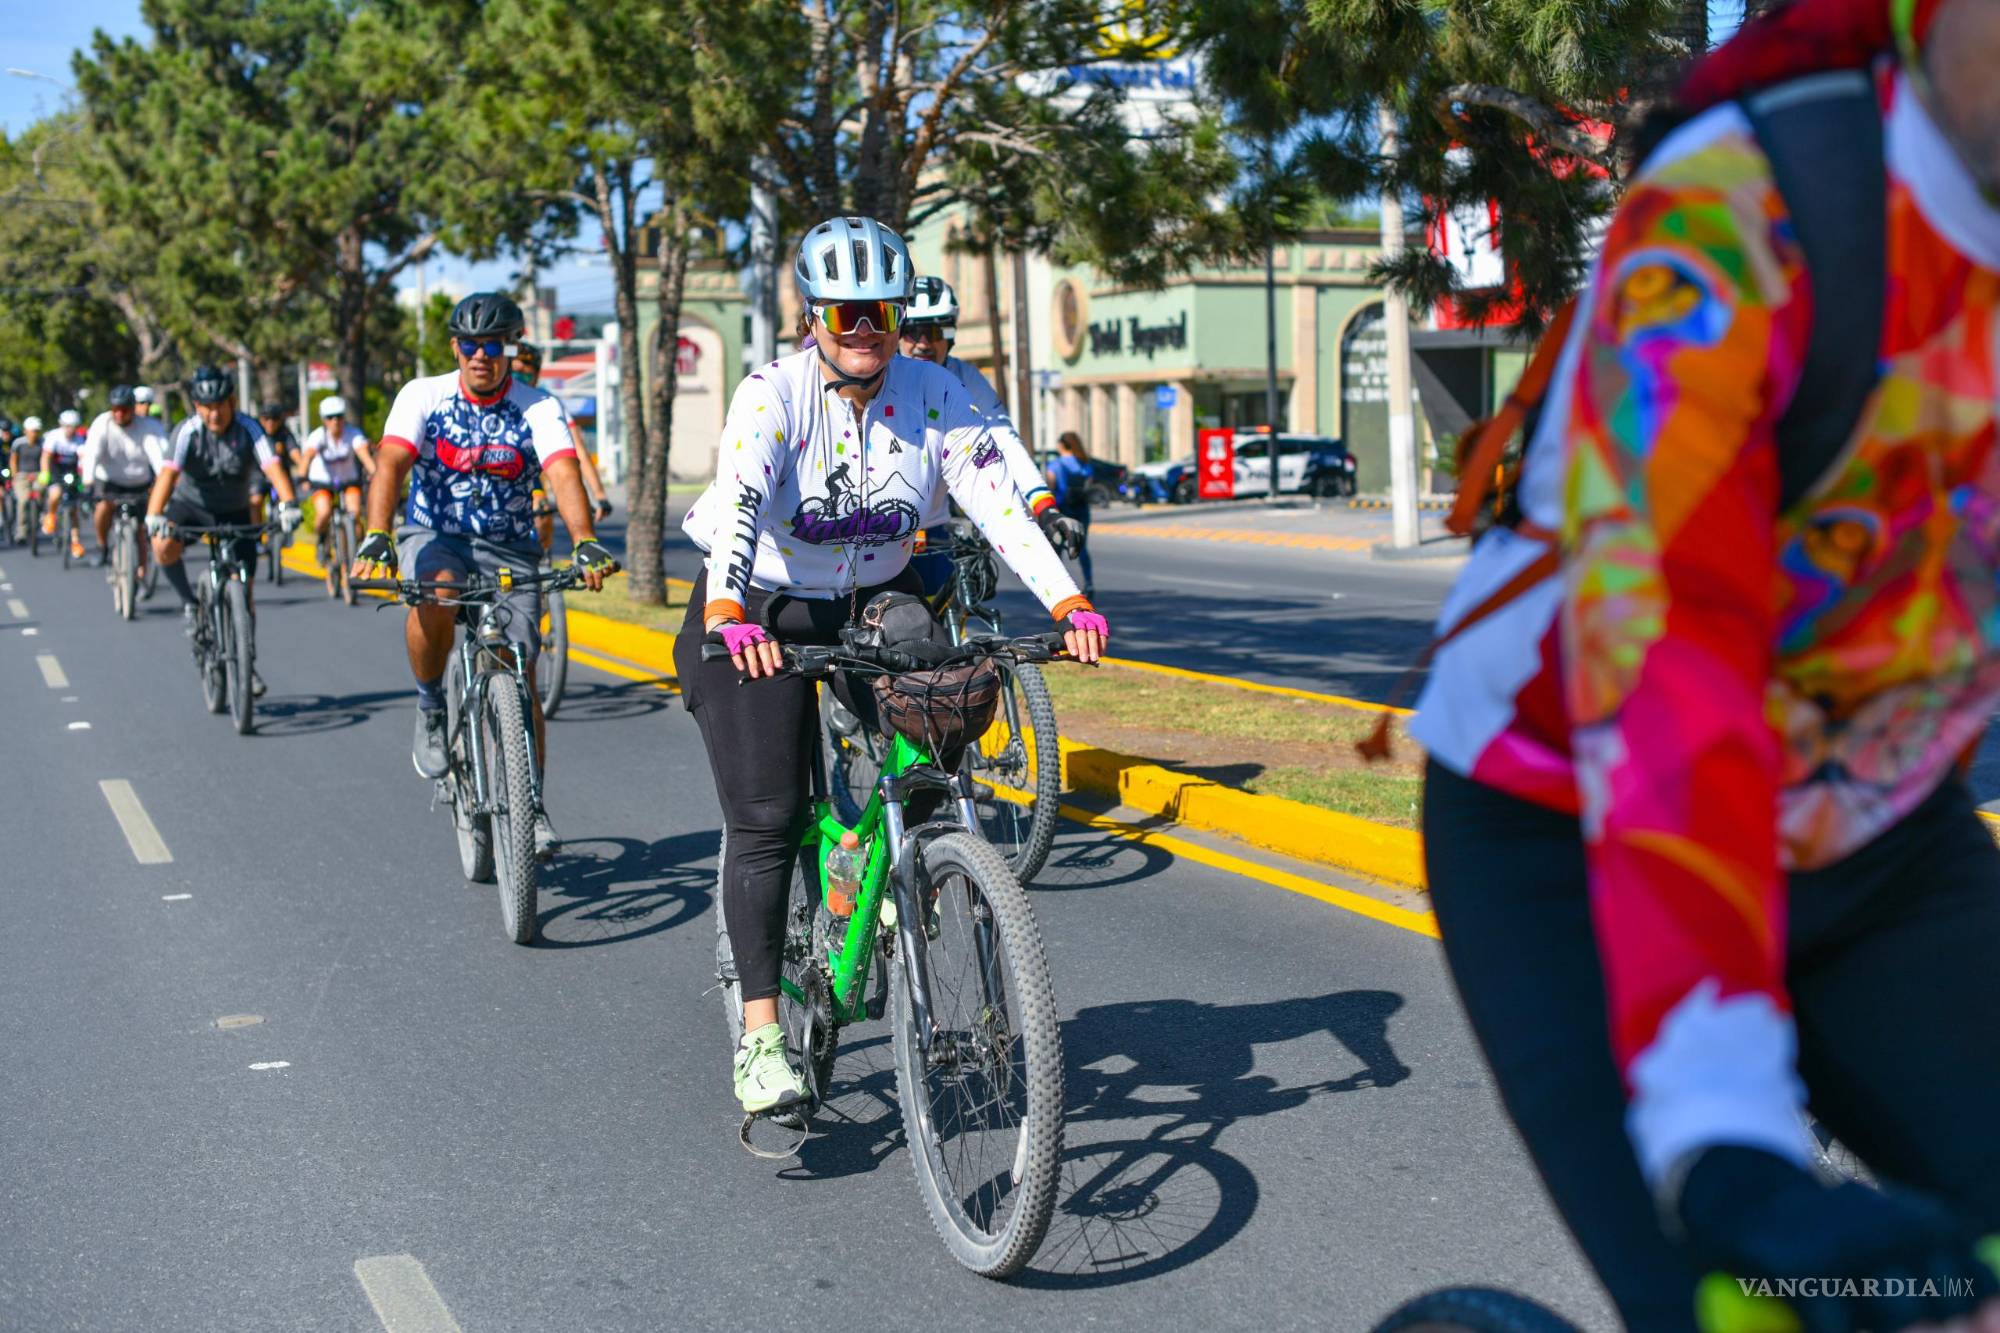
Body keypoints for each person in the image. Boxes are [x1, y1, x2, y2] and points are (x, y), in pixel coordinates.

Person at [1409, 1, 2000, 1329]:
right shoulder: (1748, 211)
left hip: (1885, 836)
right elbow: (1668, 669)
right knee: (1736, 1295)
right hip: (1579, 826)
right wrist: (1726, 1138)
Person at [675, 216, 1108, 1115]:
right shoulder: (772, 395)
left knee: (941, 706)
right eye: (845, 315)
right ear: (813, 319)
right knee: (765, 813)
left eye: (879, 311)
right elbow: (745, 505)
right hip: (760, 600)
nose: (865, 329)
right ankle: (760, 1034)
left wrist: (1067, 602)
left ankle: (900, 856)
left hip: (876, 590)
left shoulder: (934, 391)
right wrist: (726, 611)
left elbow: (993, 499)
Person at [350, 292, 615, 857]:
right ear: (455, 346)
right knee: (438, 591)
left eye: (492, 345)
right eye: (470, 345)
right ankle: (429, 703)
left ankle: (531, 805)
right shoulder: (423, 395)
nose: (481, 356)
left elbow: (562, 470)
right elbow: (392, 461)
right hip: (435, 533)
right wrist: (377, 531)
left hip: (510, 546)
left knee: (520, 682)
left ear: (509, 350)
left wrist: (585, 540)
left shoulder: (537, 406)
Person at [897, 276, 1081, 559]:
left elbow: (1003, 440)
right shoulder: (882, 377)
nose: (923, 343)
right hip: (884, 526)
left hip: (939, 520)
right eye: (912, 331)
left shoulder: (965, 378)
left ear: (951, 335)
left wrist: (1046, 509)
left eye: (934, 331)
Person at [146, 367, 301, 693]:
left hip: (235, 511)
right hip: (192, 507)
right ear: (197, 406)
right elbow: (168, 475)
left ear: (232, 402)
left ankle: (248, 665)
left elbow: (271, 466)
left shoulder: (249, 428)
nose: (214, 413)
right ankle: (190, 603)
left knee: (244, 593)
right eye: (206, 406)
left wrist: (289, 503)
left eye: (220, 405)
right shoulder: (186, 431)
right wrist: (154, 514)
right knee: (162, 544)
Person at [511, 341, 613, 553]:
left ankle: (541, 558)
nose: (519, 379)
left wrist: (599, 494)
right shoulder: (497, 398)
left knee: (541, 509)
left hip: (534, 475)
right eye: (514, 372)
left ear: (537, 376)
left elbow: (578, 451)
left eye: (525, 374)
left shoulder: (548, 403)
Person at [81, 385, 167, 568]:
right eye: (115, 409)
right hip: (110, 481)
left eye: (124, 410)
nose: (119, 414)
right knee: (103, 507)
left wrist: (165, 485)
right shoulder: (102, 424)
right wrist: (88, 483)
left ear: (133, 409)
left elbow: (160, 459)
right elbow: (92, 454)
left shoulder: (149, 426)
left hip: (140, 482)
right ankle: (102, 545)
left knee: (143, 529)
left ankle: (142, 572)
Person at [299, 395, 374, 559]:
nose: (335, 421)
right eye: (330, 417)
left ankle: (354, 546)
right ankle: (321, 538)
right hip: (322, 482)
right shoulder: (318, 436)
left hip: (349, 481)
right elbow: (308, 456)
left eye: (339, 416)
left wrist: (374, 473)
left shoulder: (353, 434)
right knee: (324, 512)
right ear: (323, 420)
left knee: (354, 513)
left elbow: (364, 455)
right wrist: (302, 476)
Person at [1046, 431, 1095, 597]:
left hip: (1062, 512)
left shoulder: (1055, 465)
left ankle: (1058, 587)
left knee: (1057, 549)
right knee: (1081, 548)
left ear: (1061, 445)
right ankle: (1089, 584)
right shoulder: (1084, 463)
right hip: (1081, 510)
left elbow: (1051, 489)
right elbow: (1089, 485)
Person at [39, 408, 87, 558]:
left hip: (71, 473)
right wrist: (45, 473)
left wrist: (85, 476)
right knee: (56, 494)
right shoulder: (54, 436)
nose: (69, 429)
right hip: (55, 471)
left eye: (73, 426)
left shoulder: (80, 440)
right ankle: (51, 515)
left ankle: (75, 542)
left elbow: (84, 458)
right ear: (61, 425)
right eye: (67, 426)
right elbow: (46, 457)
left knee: (73, 510)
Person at [252, 401, 301, 526]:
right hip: (259, 476)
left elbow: (295, 453)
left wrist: (303, 468)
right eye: (266, 418)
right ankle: (256, 537)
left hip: (281, 476)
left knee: (288, 504)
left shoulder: (285, 434)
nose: (270, 422)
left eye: (274, 418)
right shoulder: (255, 433)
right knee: (255, 501)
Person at [8, 416, 43, 544]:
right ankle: (21, 531)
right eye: (32, 430)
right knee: (23, 501)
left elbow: (45, 459)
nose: (34, 433)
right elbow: (13, 460)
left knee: (41, 494)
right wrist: (14, 475)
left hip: (38, 474)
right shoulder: (18, 443)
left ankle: (40, 518)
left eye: (36, 431)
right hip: (22, 475)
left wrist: (44, 474)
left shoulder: (42, 442)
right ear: (26, 431)